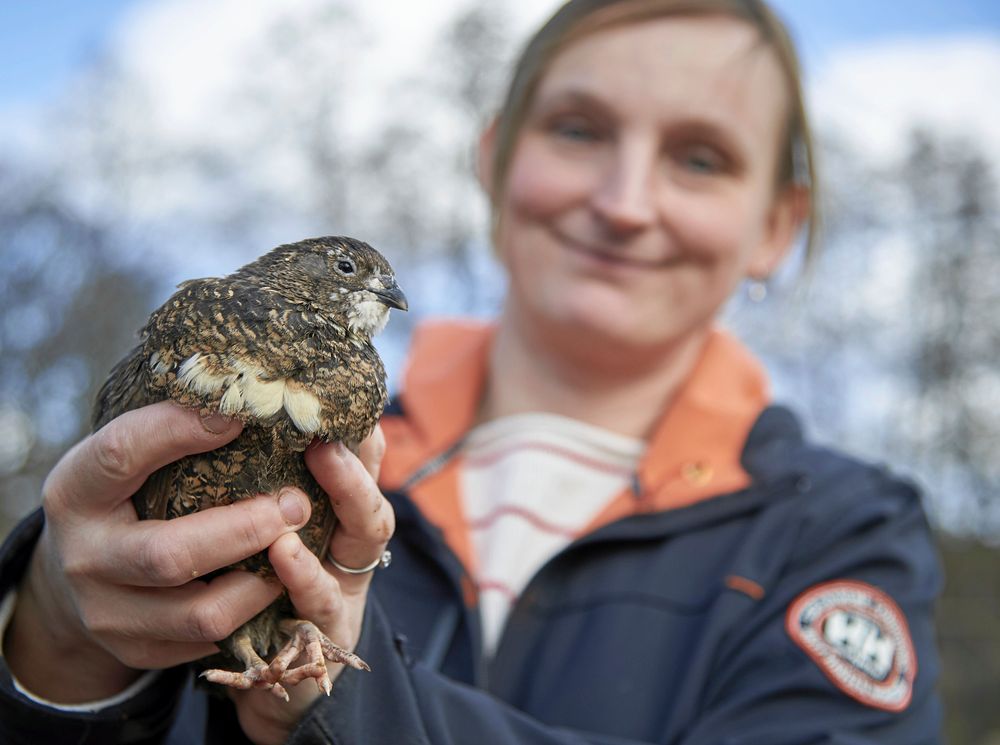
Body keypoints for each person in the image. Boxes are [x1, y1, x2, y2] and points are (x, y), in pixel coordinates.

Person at [0, 0, 943, 743]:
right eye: (579, 130)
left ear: (776, 226)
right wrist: (50, 637)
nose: (624, 202)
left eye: (700, 158)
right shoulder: (310, 433)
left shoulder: (840, 538)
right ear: (495, 157)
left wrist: (347, 707)